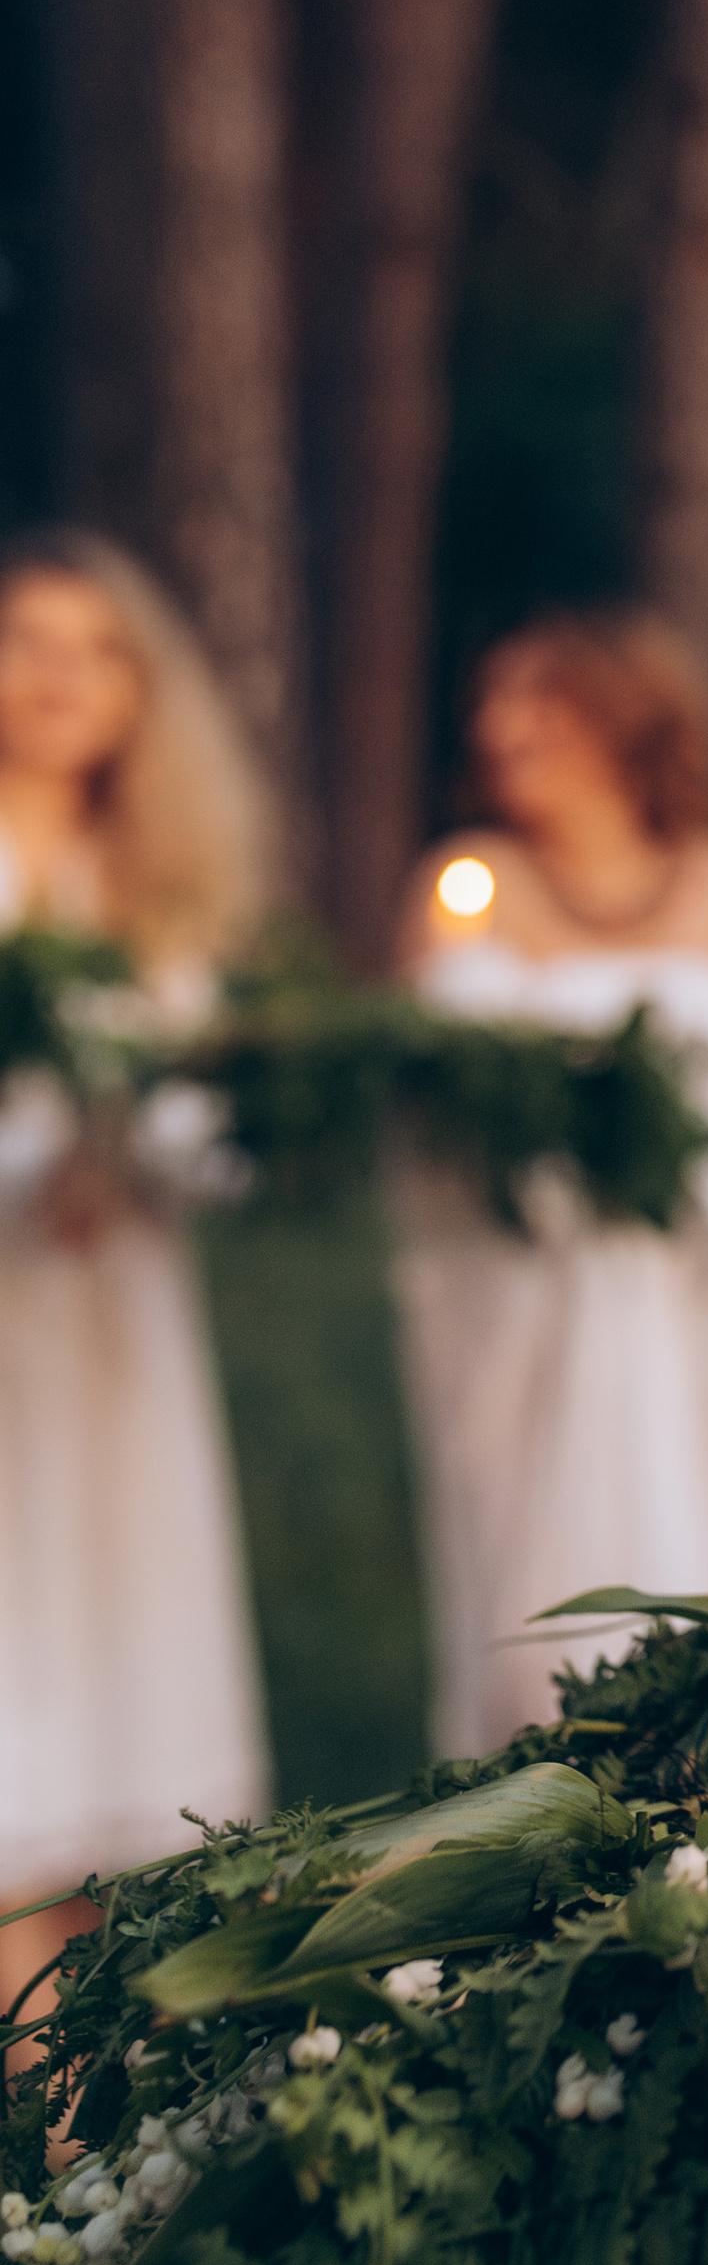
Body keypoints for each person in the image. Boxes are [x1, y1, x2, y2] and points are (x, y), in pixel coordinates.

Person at [392, 608, 708, 1760]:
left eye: (541, 700)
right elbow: (423, 1102)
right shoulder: (464, 884)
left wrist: (687, 1101)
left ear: (629, 720)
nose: (500, 725)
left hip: (705, 1306)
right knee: (531, 1625)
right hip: (527, 1312)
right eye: (493, 702)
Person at [0, 530, 272, 2043]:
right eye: (29, 640)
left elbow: (215, 1110)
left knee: (117, 1669)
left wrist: (142, 1151)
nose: (58, 680)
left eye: (96, 651)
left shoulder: (159, 885)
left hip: (113, 1329)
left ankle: (94, 2117)